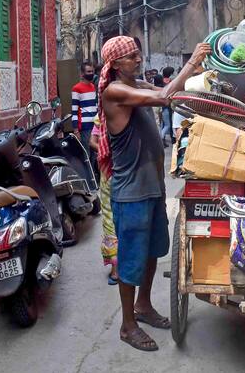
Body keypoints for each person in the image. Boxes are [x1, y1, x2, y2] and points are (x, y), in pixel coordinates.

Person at [97, 36, 211, 351]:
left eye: (138, 54)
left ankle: (143, 306)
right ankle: (127, 324)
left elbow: (173, 93)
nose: (138, 59)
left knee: (151, 253)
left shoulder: (138, 85)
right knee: (131, 260)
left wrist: (202, 80)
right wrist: (191, 61)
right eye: (132, 56)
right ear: (116, 64)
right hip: (131, 192)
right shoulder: (116, 92)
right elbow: (164, 96)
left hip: (152, 188)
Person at [89, 115, 118, 285]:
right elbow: (92, 141)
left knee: (116, 221)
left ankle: (119, 269)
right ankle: (117, 269)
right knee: (110, 221)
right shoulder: (100, 117)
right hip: (109, 175)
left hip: (122, 174)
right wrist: (107, 150)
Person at [71, 61, 98, 155]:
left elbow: (96, 106)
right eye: (88, 71)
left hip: (95, 125)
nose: (91, 74)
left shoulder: (93, 87)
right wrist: (75, 130)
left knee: (95, 154)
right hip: (85, 126)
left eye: (92, 71)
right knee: (87, 154)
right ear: (82, 73)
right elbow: (74, 110)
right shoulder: (76, 88)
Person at [160, 67, 175, 145]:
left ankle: (162, 139)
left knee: (163, 124)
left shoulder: (162, 80)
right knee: (168, 125)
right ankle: (161, 139)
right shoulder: (170, 81)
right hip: (167, 105)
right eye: (172, 72)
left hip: (162, 105)